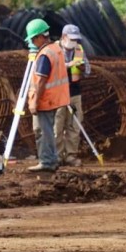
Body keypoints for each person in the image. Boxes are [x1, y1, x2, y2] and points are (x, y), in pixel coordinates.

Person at [24, 18, 70, 173]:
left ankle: (47, 161)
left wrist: (34, 102)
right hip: (54, 98)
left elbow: (41, 81)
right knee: (47, 130)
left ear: (38, 37)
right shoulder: (56, 49)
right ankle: (51, 159)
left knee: (43, 131)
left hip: (45, 99)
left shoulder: (44, 54)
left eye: (32, 39)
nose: (32, 42)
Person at [53, 24, 90, 167]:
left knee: (74, 126)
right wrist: (66, 66)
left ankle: (70, 156)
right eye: (71, 39)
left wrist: (80, 66)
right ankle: (57, 156)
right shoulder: (53, 49)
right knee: (57, 125)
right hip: (57, 93)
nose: (74, 42)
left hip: (74, 93)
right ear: (64, 37)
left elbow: (87, 70)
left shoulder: (79, 49)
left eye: (76, 39)